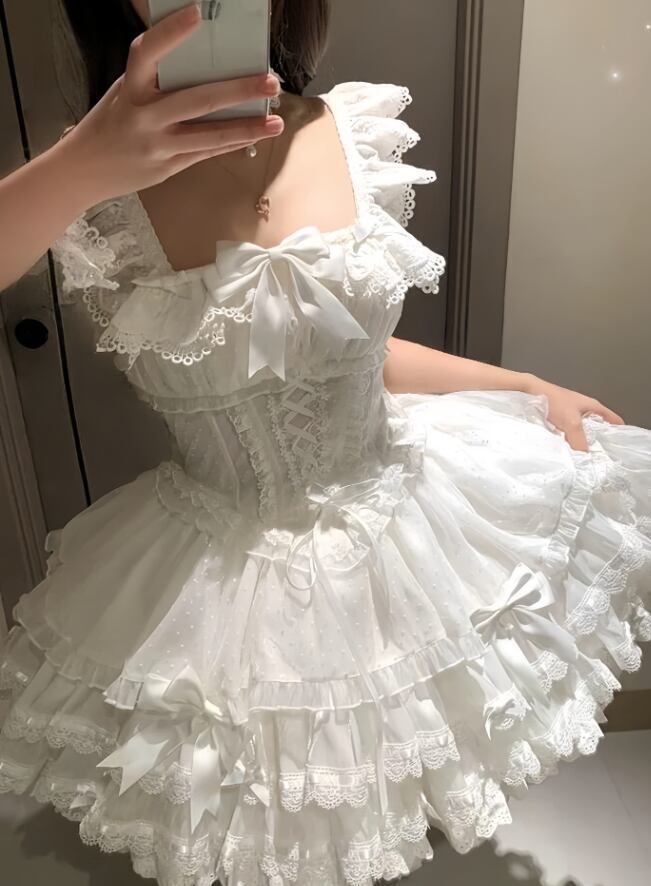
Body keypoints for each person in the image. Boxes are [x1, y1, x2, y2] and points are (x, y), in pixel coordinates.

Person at [0, 2, 649, 885]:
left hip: (407, 533)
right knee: (255, 819)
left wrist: (526, 386)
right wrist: (82, 166)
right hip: (218, 593)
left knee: (383, 789)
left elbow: (350, 353)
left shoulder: (350, 133)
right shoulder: (86, 182)